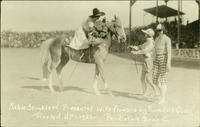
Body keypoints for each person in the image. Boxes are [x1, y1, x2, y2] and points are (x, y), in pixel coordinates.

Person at [129, 28, 157, 97]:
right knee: (142, 78)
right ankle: (145, 92)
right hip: (145, 61)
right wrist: (133, 47)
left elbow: (144, 51)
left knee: (148, 78)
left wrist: (135, 52)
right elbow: (140, 47)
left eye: (146, 34)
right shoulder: (147, 42)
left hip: (149, 61)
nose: (144, 34)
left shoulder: (151, 43)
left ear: (148, 35)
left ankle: (156, 91)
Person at [153, 24, 171, 104]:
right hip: (156, 58)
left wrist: (168, 63)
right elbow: (154, 50)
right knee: (154, 79)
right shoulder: (156, 39)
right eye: (157, 30)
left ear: (163, 30)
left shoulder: (167, 39)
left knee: (163, 79)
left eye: (159, 30)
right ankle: (161, 93)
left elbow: (169, 52)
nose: (158, 32)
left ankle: (163, 98)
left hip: (164, 58)